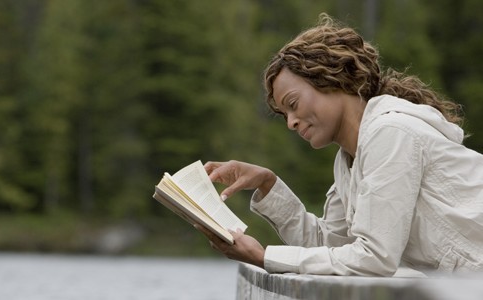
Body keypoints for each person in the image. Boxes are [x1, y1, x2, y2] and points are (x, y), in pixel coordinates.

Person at [196, 13, 483, 276]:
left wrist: (264, 257)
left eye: (293, 104)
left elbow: (374, 257)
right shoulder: (349, 159)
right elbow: (327, 245)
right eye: (285, 115)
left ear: (330, 78)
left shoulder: (391, 133)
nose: (291, 123)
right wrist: (268, 186)